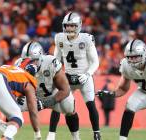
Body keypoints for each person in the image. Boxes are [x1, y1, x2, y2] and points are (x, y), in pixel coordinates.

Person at [50, 12, 101, 140]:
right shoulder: (59, 38)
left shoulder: (86, 38)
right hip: (67, 77)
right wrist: (56, 74)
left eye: (72, 26)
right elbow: (56, 60)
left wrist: (88, 74)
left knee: (90, 104)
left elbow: (95, 61)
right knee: (58, 103)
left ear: (78, 26)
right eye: (67, 26)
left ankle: (96, 133)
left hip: (84, 77)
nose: (69, 28)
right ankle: (51, 135)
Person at [15, 41, 81, 140]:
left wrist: (46, 103)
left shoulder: (50, 62)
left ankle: (76, 138)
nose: (30, 64)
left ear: (41, 57)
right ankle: (7, 136)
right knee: (11, 107)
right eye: (27, 61)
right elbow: (13, 86)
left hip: (51, 95)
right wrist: (18, 95)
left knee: (69, 104)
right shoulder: (19, 65)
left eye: (34, 60)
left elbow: (65, 90)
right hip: (31, 97)